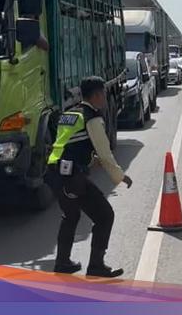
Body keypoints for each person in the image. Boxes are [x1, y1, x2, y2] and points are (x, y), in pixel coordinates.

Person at [47, 76, 133, 278]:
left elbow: (69, 143)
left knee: (71, 216)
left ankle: (62, 262)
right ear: (96, 95)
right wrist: (120, 176)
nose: (104, 97)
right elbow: (104, 152)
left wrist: (88, 159)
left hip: (55, 172)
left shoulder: (70, 114)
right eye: (103, 93)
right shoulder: (92, 117)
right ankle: (96, 266)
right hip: (72, 176)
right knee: (105, 216)